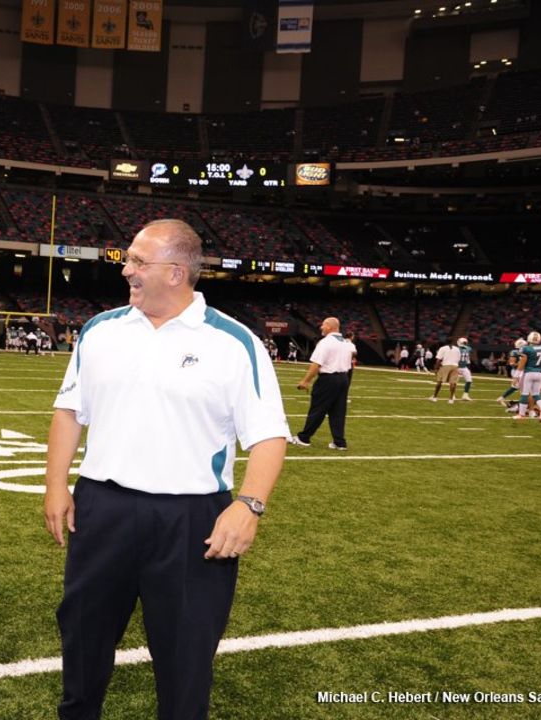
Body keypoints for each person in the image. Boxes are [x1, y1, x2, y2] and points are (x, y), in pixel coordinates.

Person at [43, 219, 289, 720]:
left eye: (137, 261)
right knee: (84, 640)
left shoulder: (234, 343)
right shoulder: (101, 329)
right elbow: (69, 412)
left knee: (185, 656)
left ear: (176, 273)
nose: (126, 269)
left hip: (192, 520)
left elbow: (268, 435)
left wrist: (249, 505)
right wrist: (55, 487)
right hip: (102, 507)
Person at [289, 317, 356, 450]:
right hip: (343, 378)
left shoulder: (325, 342)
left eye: (324, 325)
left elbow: (316, 364)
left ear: (330, 327)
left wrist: (306, 381)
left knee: (318, 408)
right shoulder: (346, 343)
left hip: (328, 379)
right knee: (338, 411)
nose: (321, 327)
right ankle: (339, 442)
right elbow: (350, 365)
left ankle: (304, 438)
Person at [515, 331, 541, 422]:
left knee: (525, 393)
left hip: (529, 373)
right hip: (539, 373)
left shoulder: (525, 349)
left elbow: (522, 362)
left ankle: (521, 414)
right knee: (536, 394)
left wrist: (516, 376)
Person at [430, 338, 462, 403]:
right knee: (453, 383)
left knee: (439, 381)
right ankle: (451, 399)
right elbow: (459, 359)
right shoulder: (457, 349)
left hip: (445, 365)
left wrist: (436, 368)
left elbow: (438, 359)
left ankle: (435, 397)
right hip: (455, 366)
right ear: (453, 342)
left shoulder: (442, 348)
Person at [497, 338, 527, 406]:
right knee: (522, 388)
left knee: (516, 387)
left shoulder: (523, 352)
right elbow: (512, 363)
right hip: (517, 371)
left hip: (521, 371)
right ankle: (524, 403)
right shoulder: (515, 352)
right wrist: (521, 364)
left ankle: (501, 398)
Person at [344, 331, 357, 404]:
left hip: (340, 364)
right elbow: (354, 353)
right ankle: (344, 397)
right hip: (348, 364)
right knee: (347, 382)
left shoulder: (341, 342)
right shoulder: (351, 345)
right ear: (351, 336)